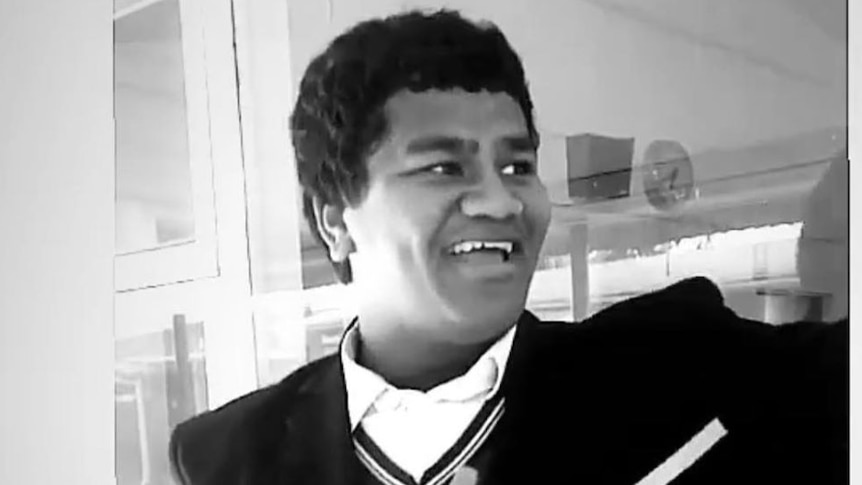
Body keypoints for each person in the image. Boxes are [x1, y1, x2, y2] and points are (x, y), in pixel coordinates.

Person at [168, 9, 848, 485]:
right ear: (335, 220)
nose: (501, 200)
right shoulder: (224, 458)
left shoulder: (679, 367)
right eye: (445, 168)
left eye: (518, 166)